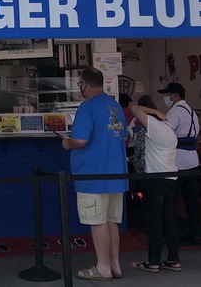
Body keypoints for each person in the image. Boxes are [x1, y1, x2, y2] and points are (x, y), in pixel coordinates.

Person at [61, 67, 128, 281]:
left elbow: (80, 140)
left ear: (86, 84)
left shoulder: (87, 107)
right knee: (111, 221)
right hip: (116, 174)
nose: (80, 87)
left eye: (80, 84)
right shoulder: (115, 106)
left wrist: (67, 143)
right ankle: (115, 265)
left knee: (97, 221)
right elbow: (123, 136)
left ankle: (102, 267)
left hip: (93, 175)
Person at [128, 100, 182, 273]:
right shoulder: (169, 129)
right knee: (169, 219)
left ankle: (153, 261)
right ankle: (173, 259)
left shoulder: (154, 127)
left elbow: (134, 108)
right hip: (171, 178)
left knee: (154, 221)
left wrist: (155, 112)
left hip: (155, 180)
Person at [159, 82, 201, 243]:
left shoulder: (175, 112)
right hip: (192, 160)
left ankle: (171, 233)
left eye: (167, 94)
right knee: (192, 200)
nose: (165, 98)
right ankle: (196, 231)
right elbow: (197, 137)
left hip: (178, 161)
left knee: (170, 200)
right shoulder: (192, 112)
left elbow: (164, 133)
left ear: (175, 95)